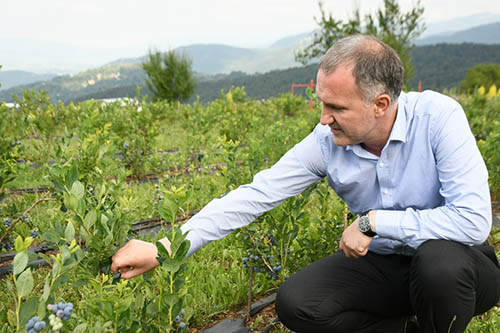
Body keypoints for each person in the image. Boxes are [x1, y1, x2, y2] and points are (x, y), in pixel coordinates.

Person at [111, 34, 500, 332]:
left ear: (380, 104)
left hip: (461, 267)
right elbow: (255, 195)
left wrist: (373, 222)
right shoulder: (325, 142)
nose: (324, 118)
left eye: (337, 108)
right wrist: (166, 247)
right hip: (386, 266)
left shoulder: (438, 118)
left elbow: (473, 221)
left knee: (438, 263)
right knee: (298, 303)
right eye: (322, 103)